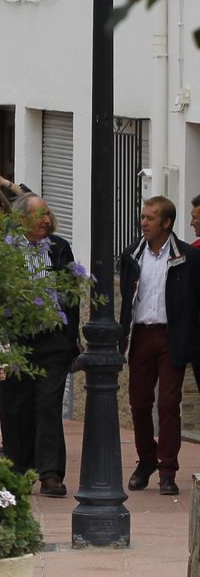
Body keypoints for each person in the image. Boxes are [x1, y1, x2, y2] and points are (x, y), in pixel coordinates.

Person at [0, 195, 79, 496]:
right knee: (15, 407)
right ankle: (19, 469)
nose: (47, 220)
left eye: (48, 214)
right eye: (40, 215)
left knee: (47, 405)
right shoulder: (3, 249)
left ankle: (50, 473)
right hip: (16, 340)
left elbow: (72, 293)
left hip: (52, 341)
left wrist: (70, 340)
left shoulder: (59, 248)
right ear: (21, 220)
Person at [118, 196, 199, 496]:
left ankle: (168, 469)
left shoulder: (188, 257)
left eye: (150, 218)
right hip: (140, 335)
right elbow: (128, 298)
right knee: (139, 404)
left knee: (168, 404)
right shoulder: (131, 255)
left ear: (166, 222)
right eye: (142, 217)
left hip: (171, 337)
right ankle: (146, 461)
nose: (144, 222)